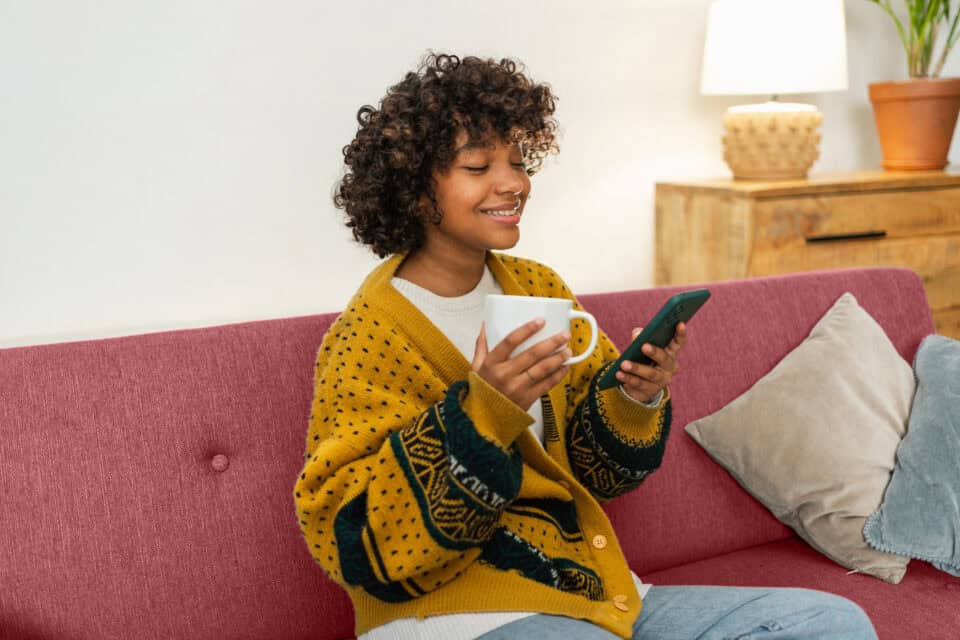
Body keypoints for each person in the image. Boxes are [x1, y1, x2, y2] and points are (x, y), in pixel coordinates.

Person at [294, 52, 877, 640]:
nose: (514, 182)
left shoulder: (540, 289)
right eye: (478, 165)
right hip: (453, 615)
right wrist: (483, 413)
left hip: (587, 596)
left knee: (830, 622)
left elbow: (598, 473)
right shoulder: (366, 337)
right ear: (415, 191)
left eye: (519, 161)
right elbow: (350, 537)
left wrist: (633, 396)